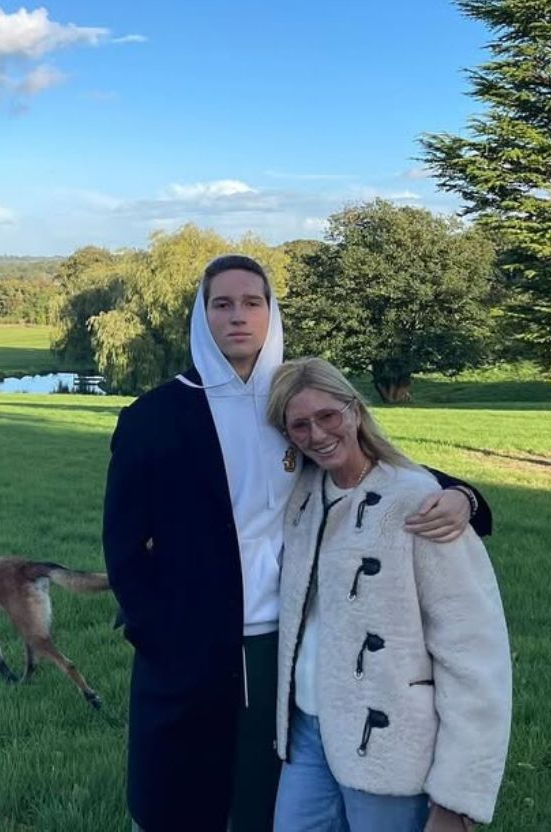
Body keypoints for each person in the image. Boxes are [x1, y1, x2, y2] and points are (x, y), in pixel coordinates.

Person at [102, 255, 493, 831]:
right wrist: (155, 633)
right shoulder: (154, 417)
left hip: (284, 642)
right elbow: (123, 546)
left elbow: (373, 467)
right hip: (189, 643)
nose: (238, 317)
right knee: (178, 797)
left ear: (271, 312)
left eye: (252, 303)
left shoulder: (289, 406)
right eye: (222, 304)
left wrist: (465, 496)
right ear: (202, 317)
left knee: (263, 800)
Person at [267, 357, 511, 832]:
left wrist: (457, 798)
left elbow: (473, 653)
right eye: (300, 425)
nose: (317, 434)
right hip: (306, 733)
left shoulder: (420, 502)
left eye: (328, 416)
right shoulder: (301, 496)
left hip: (391, 742)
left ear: (355, 410)